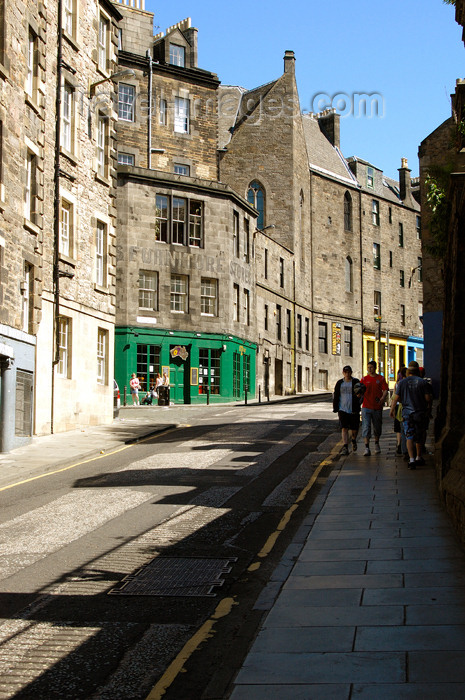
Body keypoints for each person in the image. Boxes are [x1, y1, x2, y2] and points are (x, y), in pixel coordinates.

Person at [390, 360, 433, 469]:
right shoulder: (423, 383)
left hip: (407, 414)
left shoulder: (402, 383)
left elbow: (396, 398)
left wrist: (392, 409)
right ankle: (419, 457)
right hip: (420, 413)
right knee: (419, 436)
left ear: (408, 371)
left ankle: (411, 459)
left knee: (409, 436)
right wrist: (429, 409)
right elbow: (428, 398)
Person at [333, 365, 365, 455]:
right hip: (342, 409)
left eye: (348, 372)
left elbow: (362, 393)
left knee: (355, 429)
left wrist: (359, 398)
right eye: (345, 372)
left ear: (351, 372)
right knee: (344, 428)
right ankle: (345, 447)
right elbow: (336, 395)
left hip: (354, 409)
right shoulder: (339, 383)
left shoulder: (355, 382)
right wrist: (335, 407)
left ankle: (354, 440)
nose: (347, 374)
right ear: (343, 373)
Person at [361, 360, 389, 456]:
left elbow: (385, 390)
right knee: (366, 427)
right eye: (368, 367)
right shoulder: (364, 379)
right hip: (366, 407)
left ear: (375, 368)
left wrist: (382, 399)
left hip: (377, 407)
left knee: (377, 427)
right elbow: (359, 391)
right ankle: (366, 447)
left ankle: (376, 444)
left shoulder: (380, 379)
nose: (369, 369)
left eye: (371, 367)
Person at [393, 366, 407, 455]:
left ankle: (399, 444)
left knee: (399, 428)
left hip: (399, 407)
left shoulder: (398, 384)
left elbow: (394, 397)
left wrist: (392, 408)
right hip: (407, 406)